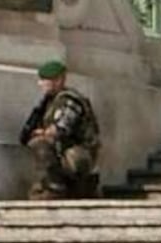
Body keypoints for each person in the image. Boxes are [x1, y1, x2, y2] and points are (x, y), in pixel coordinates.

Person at [18, 60, 101, 200]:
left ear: (58, 80)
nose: (40, 84)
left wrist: (44, 132)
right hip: (64, 152)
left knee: (40, 143)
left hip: (80, 155)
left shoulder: (70, 100)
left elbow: (61, 128)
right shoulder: (49, 102)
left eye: (45, 80)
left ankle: (56, 187)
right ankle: (56, 184)